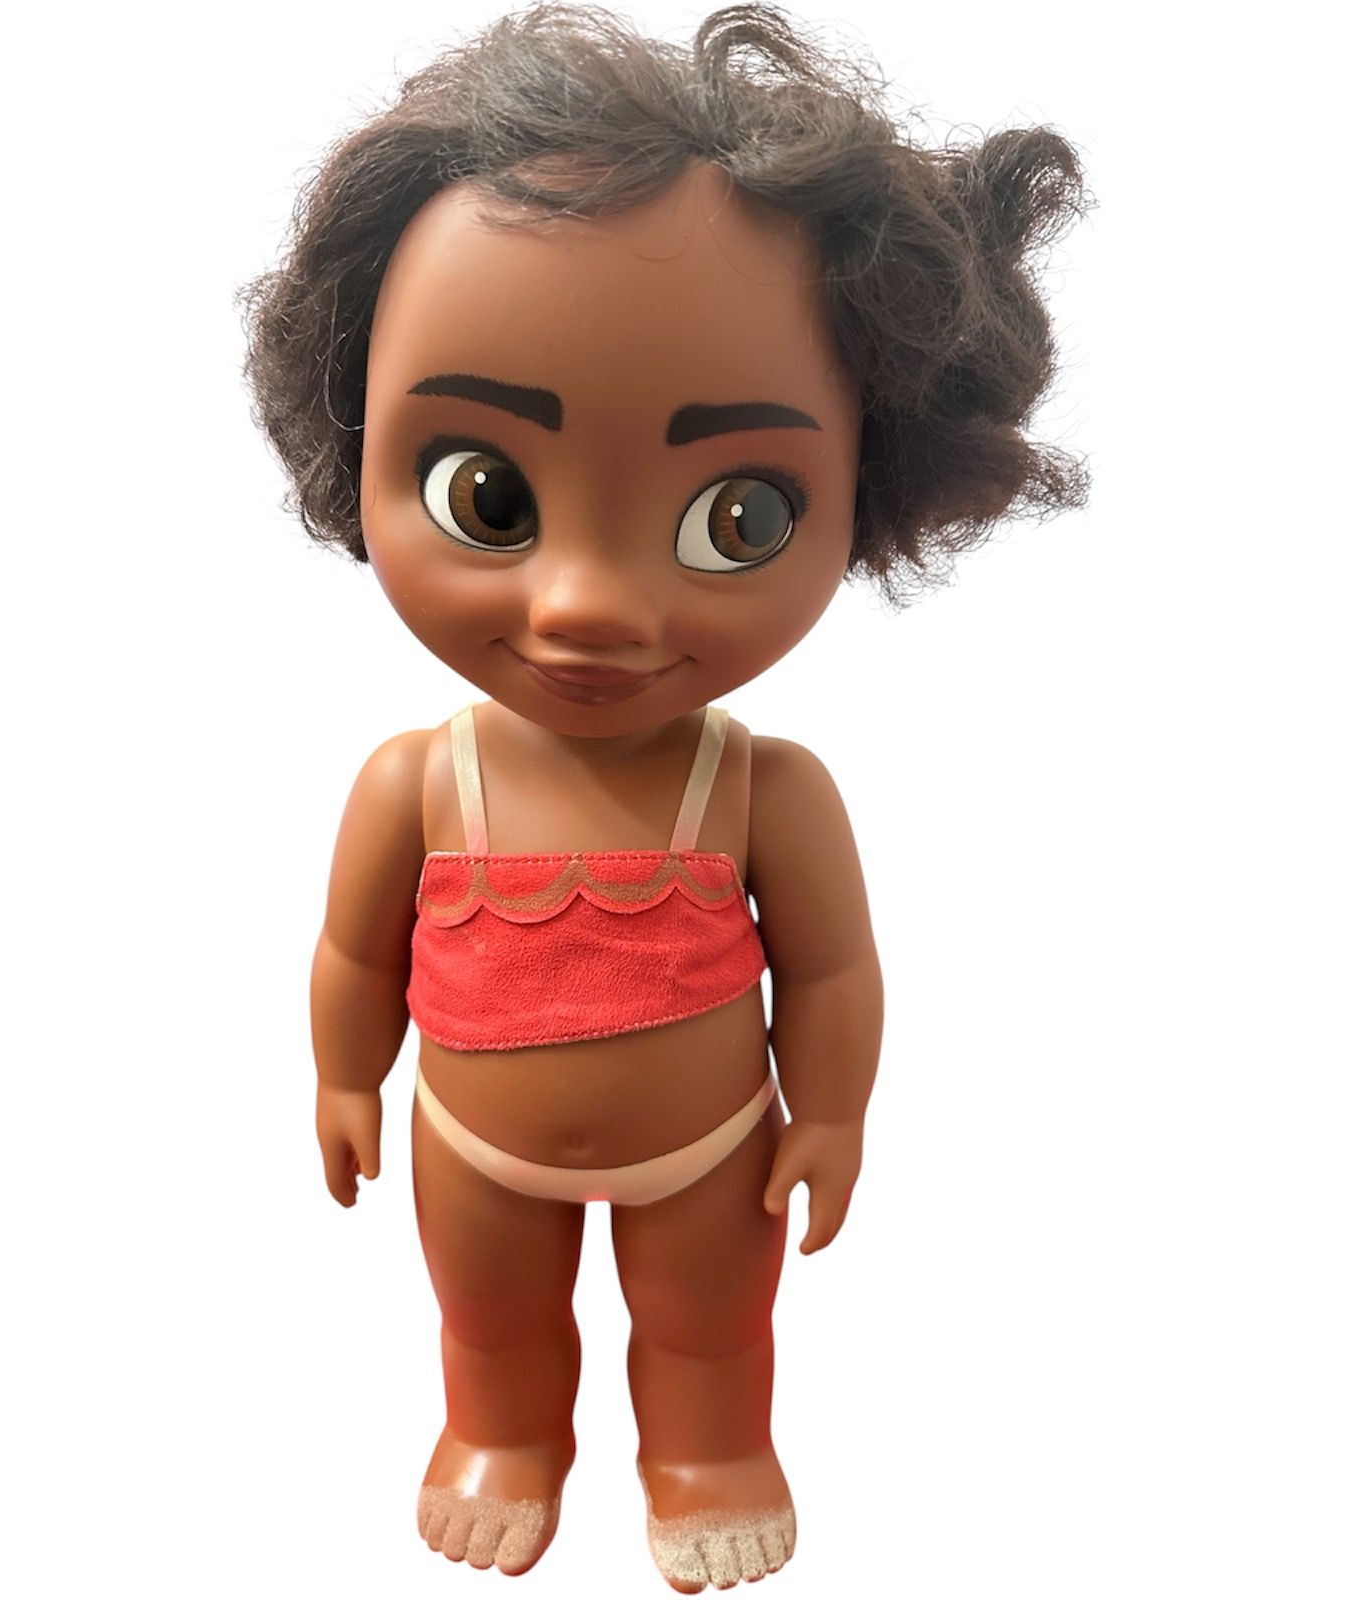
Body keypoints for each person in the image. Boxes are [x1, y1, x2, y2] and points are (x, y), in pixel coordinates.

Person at [239, 4, 1088, 1589]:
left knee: (709, 1330)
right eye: (488, 495)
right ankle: (503, 1433)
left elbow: (831, 971)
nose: (587, 605)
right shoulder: (417, 781)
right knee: (490, 1322)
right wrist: (346, 1075)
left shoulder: (762, 788)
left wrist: (829, 1110)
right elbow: (355, 952)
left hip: (710, 1148)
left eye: (736, 516)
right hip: (472, 1143)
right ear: (350, 435)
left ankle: (708, 1450)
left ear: (872, 488)